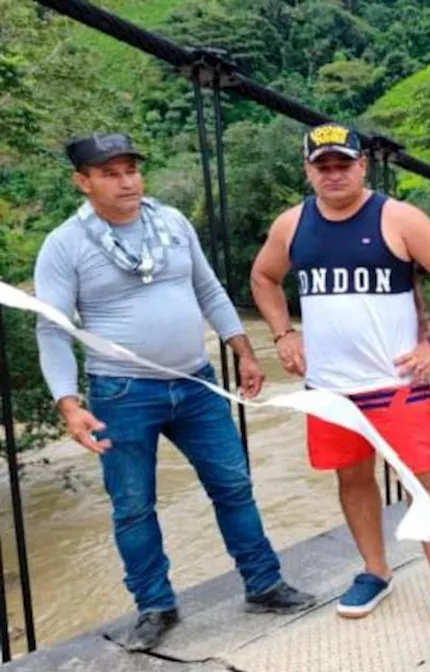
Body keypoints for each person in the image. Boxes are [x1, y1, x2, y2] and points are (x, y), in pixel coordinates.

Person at [33, 133, 316, 652]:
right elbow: (52, 328)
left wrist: (245, 351)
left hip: (196, 381)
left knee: (233, 485)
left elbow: (208, 288)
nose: (127, 181)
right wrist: (69, 404)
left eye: (132, 170)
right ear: (83, 181)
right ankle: (154, 605)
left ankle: (264, 583)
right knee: (134, 506)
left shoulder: (172, 222)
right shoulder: (64, 244)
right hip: (121, 392)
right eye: (111, 173)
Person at [248, 123, 430, 634]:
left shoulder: (396, 217)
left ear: (362, 165)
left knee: (422, 477)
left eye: (343, 164)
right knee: (351, 477)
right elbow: (263, 276)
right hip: (330, 387)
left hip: (395, 381)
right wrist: (283, 334)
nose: (334, 174)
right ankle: (376, 570)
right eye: (322, 166)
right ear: (308, 170)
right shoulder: (292, 225)